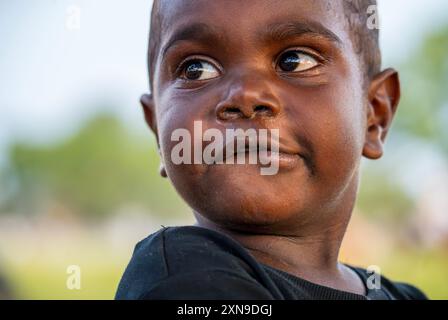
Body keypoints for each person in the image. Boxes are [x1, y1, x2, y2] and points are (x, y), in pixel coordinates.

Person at [116, 0, 427, 300]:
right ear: (157, 129)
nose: (245, 96)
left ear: (374, 115)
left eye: (295, 61)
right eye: (196, 69)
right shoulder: (184, 276)